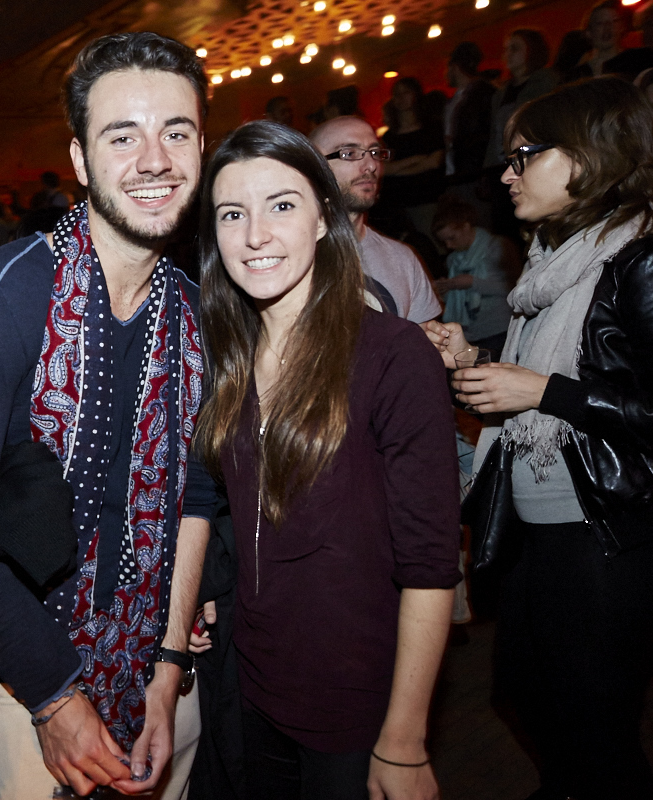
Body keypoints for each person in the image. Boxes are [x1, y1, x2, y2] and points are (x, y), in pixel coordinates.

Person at [0, 31, 215, 799]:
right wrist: (54, 696)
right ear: (79, 160)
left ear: (202, 147)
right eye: (123, 135)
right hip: (23, 684)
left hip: (161, 675)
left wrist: (170, 665)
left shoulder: (199, 311)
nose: (154, 160)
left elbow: (195, 499)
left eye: (176, 132)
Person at [196, 119, 460, 800]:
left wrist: (404, 737)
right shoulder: (226, 359)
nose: (255, 234)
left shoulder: (393, 354)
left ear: (322, 218)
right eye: (233, 213)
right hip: (255, 688)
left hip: (356, 706)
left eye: (282, 205)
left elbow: (431, 563)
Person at [427, 77, 653, 798]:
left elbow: (589, 397)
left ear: (585, 157)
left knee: (594, 727)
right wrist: (474, 366)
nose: (506, 173)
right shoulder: (552, 266)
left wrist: (541, 391)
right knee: (523, 692)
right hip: (542, 532)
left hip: (606, 536)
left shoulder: (639, 259)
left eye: (524, 155)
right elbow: (538, 388)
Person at [309, 116, 442, 324]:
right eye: (350, 153)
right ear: (313, 167)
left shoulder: (403, 259)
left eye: (374, 153)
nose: (370, 165)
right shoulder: (290, 257)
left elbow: (423, 351)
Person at [484, 30, 559, 240]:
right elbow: (494, 134)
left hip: (531, 164)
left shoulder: (546, 82)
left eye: (515, 48)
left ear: (532, 51)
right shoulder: (500, 92)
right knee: (506, 231)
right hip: (502, 166)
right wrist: (487, 169)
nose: (508, 54)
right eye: (506, 49)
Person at [430, 196, 519, 358]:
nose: (449, 246)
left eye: (452, 238)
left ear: (466, 226)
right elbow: (460, 300)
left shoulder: (498, 246)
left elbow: (516, 288)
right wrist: (446, 289)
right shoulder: (453, 260)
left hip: (500, 331)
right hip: (470, 335)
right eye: (444, 242)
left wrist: (472, 282)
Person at [380, 77, 446, 238]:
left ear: (416, 95)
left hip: (426, 198)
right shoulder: (389, 137)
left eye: (406, 92)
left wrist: (396, 170)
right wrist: (415, 159)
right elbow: (382, 168)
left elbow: (433, 162)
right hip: (396, 203)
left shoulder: (431, 128)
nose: (401, 98)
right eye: (396, 94)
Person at [443, 42, 495, 203]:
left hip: (472, 174)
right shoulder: (461, 99)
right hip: (462, 174)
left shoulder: (481, 95)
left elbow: (483, 136)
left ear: (455, 67)